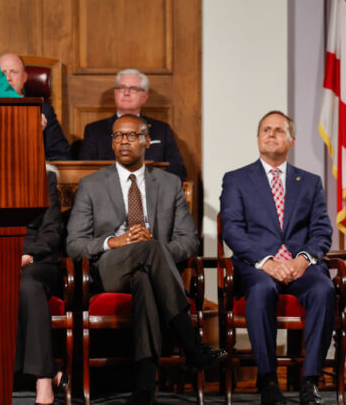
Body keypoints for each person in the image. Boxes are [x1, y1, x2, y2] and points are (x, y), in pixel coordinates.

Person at [66, 114, 225, 404]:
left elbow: (189, 240)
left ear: (147, 141)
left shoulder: (169, 183)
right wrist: (115, 241)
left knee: (146, 278)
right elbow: (74, 244)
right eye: (117, 136)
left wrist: (156, 249)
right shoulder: (91, 185)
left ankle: (143, 389)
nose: (123, 141)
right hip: (110, 267)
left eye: (131, 135)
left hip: (153, 271)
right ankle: (191, 346)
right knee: (150, 252)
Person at [220, 111, 333, 405]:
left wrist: (302, 260)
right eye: (265, 130)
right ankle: (268, 380)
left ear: (291, 140)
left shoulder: (309, 182)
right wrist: (267, 262)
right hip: (256, 267)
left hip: (300, 266)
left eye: (279, 130)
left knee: (324, 289)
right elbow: (232, 230)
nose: (271, 134)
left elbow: (321, 230)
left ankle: (310, 382)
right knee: (261, 290)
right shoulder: (236, 179)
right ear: (258, 138)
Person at [16, 165, 68, 405]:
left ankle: (43, 380)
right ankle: (53, 369)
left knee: (28, 285)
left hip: (38, 260)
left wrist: (28, 255)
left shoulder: (43, 176)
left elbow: (52, 231)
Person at [77, 69, 186, 180]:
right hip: (108, 192)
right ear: (115, 94)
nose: (126, 93)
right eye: (121, 88)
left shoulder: (162, 130)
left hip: (152, 191)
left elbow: (178, 170)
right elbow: (85, 171)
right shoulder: (95, 130)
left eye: (133, 89)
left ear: (145, 97)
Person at [0, 53, 71, 161]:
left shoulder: (43, 110)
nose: (8, 78)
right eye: (2, 73)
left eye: (14, 72)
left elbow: (61, 155)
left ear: (24, 77)